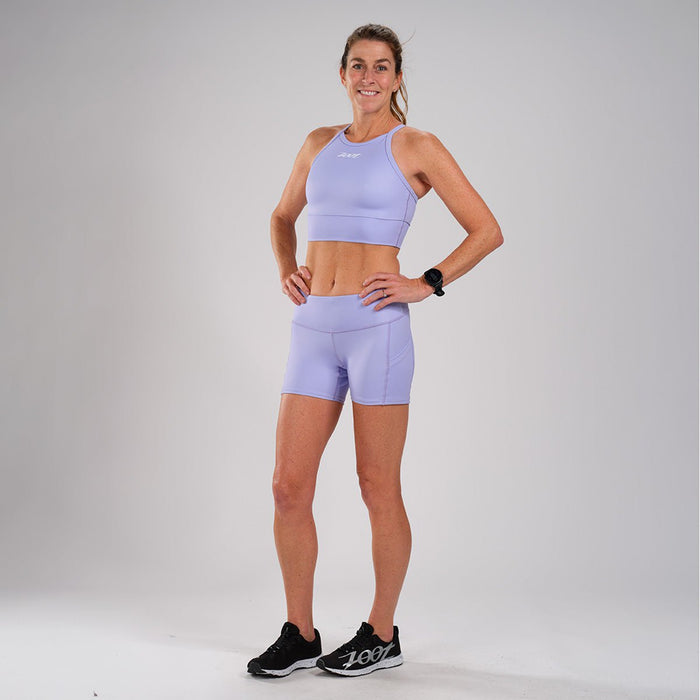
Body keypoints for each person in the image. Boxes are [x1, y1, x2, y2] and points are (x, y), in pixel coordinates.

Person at [247, 23, 503, 678]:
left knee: (376, 485)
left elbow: (486, 229)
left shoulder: (415, 145)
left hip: (376, 330)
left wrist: (427, 282)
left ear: (396, 78)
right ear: (343, 74)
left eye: (381, 66)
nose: (368, 77)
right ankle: (300, 633)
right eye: (358, 65)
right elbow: (281, 217)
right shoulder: (318, 143)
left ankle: (382, 633)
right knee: (287, 486)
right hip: (313, 329)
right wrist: (286, 268)